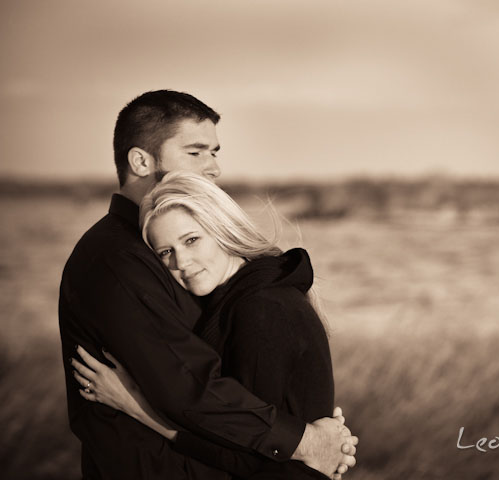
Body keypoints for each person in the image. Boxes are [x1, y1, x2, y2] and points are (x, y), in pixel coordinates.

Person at [58, 90, 357, 480]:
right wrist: (306, 442)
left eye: (214, 152)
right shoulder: (117, 260)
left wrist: (308, 441)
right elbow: (189, 387)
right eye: (196, 152)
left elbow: (204, 391)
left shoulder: (259, 299)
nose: (214, 168)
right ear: (141, 161)